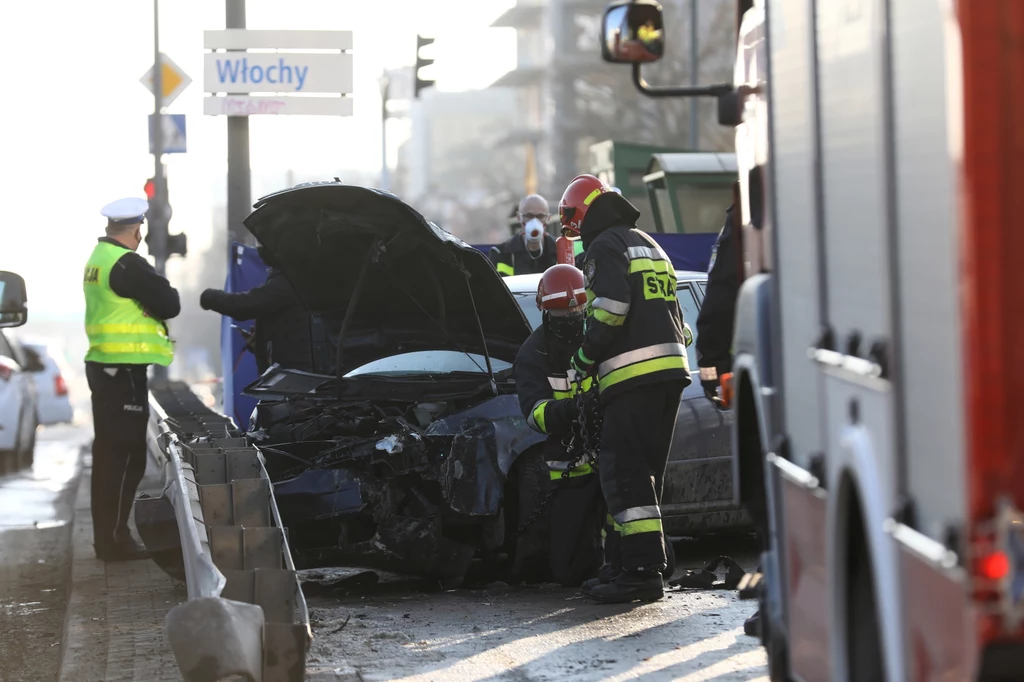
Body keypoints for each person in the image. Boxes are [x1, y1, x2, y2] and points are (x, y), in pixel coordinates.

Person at [559, 174, 691, 604]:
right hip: (669, 375)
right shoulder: (648, 243)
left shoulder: (604, 246)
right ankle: (622, 565)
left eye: (573, 222)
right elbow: (679, 322)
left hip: (634, 378)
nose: (575, 234)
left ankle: (640, 574)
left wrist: (583, 357)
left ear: (583, 214)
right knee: (640, 475)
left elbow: (612, 308)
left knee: (623, 472)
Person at [84, 197, 180, 561]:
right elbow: (170, 303)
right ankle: (114, 540)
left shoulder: (98, 259)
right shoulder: (127, 263)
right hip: (121, 371)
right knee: (125, 460)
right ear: (138, 229)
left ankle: (109, 538)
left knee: (111, 456)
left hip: (107, 368)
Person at [512, 264, 604, 587]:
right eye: (563, 314)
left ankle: (634, 567)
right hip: (569, 471)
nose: (573, 317)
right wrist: (572, 410)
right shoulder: (531, 355)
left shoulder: (598, 336)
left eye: (579, 309)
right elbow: (535, 413)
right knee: (567, 572)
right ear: (545, 312)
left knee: (632, 528)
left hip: (609, 457)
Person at [694, 204, 761, 637]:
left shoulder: (751, 210)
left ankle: (779, 598)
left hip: (777, 370)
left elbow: (720, 297)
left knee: (766, 487)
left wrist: (712, 367)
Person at [199, 245, 313, 374]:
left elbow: (244, 306)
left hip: (294, 375)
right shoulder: (290, 277)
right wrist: (260, 343)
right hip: (289, 373)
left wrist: (209, 297)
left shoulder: (287, 281)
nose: (260, 250)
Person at [489, 194, 558, 276]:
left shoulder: (561, 251)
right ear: (519, 217)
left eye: (540, 216)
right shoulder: (501, 254)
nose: (534, 222)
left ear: (548, 219)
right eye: (529, 216)